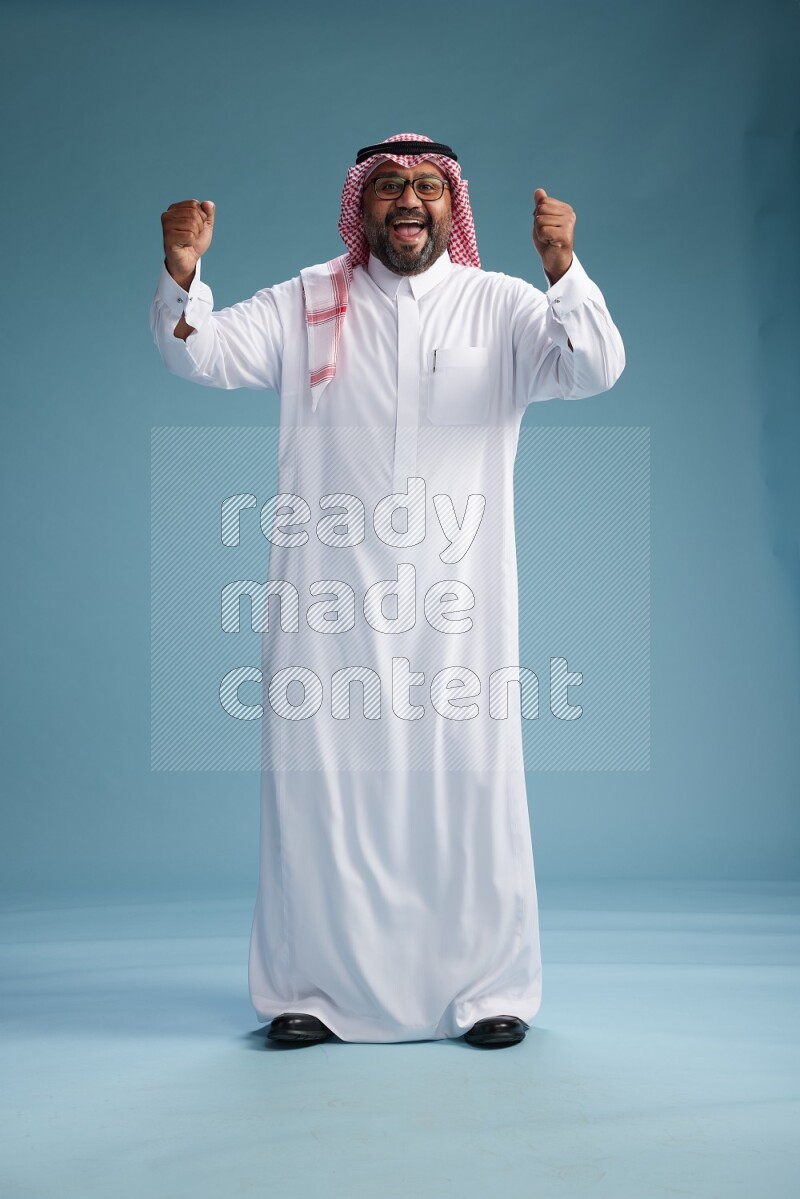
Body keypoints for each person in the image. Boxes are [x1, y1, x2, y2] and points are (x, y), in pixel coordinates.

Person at [150, 133, 625, 1050]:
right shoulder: (308, 300)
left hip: (459, 607)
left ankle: (488, 989)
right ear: (361, 204)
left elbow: (595, 366)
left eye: (427, 187)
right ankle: (311, 991)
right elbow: (197, 353)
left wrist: (564, 269)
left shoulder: (501, 305)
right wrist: (182, 275)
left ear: (453, 205)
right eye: (390, 187)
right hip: (327, 608)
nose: (409, 200)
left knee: (469, 790)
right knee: (322, 795)